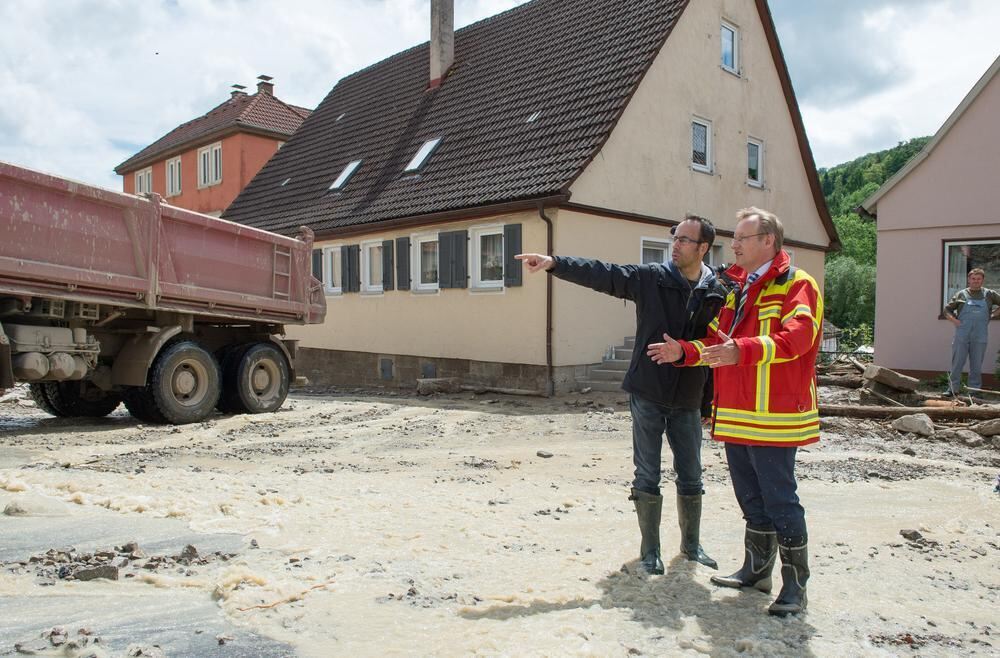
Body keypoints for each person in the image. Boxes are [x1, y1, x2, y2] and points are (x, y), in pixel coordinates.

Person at [515, 215, 727, 575]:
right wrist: (555, 263)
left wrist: (708, 402)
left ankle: (692, 547)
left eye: (684, 240)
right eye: (674, 237)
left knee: (691, 474)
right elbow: (604, 273)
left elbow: (715, 349)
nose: (675, 245)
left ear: (703, 248)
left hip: (689, 398)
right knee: (647, 474)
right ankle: (650, 551)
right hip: (648, 391)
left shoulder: (717, 291)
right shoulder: (651, 279)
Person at [647, 207, 822, 616]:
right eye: (735, 238)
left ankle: (796, 588)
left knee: (781, 500)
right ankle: (757, 573)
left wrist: (737, 350)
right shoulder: (736, 289)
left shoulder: (798, 284)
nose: (735, 245)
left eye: (743, 238)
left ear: (768, 242)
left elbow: (798, 338)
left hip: (776, 416)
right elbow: (716, 343)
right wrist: (684, 353)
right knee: (751, 498)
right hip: (739, 414)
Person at [944, 268, 1000, 395]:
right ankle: (953, 389)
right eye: (973, 279)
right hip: (962, 334)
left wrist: (992, 315)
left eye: (978, 279)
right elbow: (946, 310)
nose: (976, 281)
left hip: (980, 335)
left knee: (976, 364)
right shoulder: (961, 294)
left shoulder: (989, 294)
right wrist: (954, 321)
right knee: (957, 362)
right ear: (969, 279)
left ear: (982, 280)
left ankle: (974, 391)